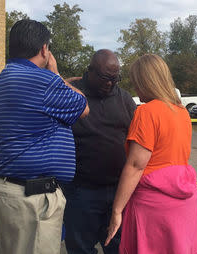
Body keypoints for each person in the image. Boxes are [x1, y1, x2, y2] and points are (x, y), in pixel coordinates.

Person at [0, 19, 89, 254]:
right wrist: (56, 73)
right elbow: (83, 107)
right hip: (32, 197)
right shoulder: (43, 81)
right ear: (44, 49)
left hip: (7, 189)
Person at [105, 54, 197, 254]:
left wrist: (116, 211)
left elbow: (136, 166)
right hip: (183, 203)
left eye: (136, 82)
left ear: (146, 82)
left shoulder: (146, 113)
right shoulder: (182, 112)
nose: (135, 87)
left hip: (153, 207)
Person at [62, 49, 137, 254]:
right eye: (105, 78)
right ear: (90, 71)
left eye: (115, 79)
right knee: (80, 248)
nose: (110, 84)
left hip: (117, 192)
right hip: (81, 191)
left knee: (117, 247)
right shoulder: (71, 94)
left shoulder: (125, 100)